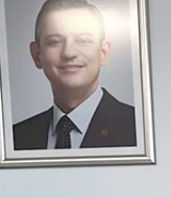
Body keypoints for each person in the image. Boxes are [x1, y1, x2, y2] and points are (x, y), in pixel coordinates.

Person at [12, 0, 136, 150]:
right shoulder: (15, 138)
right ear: (37, 55)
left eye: (83, 40)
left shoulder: (138, 128)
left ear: (103, 53)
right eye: (55, 41)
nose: (69, 53)